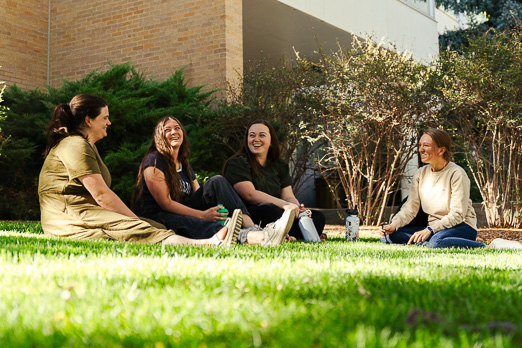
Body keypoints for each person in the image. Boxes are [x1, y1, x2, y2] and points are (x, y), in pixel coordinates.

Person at [38, 94, 240, 247]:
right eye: (105, 118)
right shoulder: (75, 145)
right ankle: (207, 243)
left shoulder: (86, 146)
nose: (109, 122)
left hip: (84, 211)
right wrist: (133, 219)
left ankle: (245, 229)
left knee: (156, 226)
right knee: (138, 226)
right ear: (89, 120)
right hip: (69, 216)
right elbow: (100, 194)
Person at [132, 116, 294, 246]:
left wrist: (217, 212)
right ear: (159, 136)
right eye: (167, 130)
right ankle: (261, 237)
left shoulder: (183, 163)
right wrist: (202, 215)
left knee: (217, 181)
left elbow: (199, 194)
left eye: (177, 128)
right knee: (206, 225)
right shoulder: (153, 162)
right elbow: (165, 203)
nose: (174, 132)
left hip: (179, 210)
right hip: (158, 216)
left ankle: (254, 229)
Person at [381, 128, 485, 249]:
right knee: (394, 235)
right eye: (420, 145)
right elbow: (410, 208)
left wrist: (430, 229)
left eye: (426, 145)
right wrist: (394, 225)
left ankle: (482, 246)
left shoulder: (457, 174)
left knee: (436, 242)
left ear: (441, 150)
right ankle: (429, 243)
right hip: (434, 229)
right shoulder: (420, 174)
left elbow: (457, 214)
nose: (421, 149)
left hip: (461, 226)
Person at [223, 119, 326, 241]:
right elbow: (249, 194)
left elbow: (288, 195)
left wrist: (297, 208)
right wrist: (285, 205)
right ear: (247, 140)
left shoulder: (279, 165)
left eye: (262, 135)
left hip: (278, 211)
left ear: (271, 141)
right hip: (251, 214)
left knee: (318, 217)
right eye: (252, 136)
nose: (256, 139)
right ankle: (290, 235)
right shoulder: (238, 162)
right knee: (269, 209)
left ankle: (290, 236)